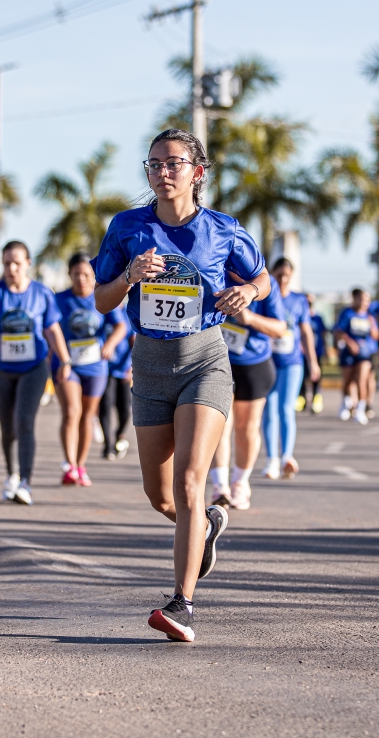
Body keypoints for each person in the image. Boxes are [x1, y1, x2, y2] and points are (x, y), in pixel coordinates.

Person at [92, 128, 269, 643]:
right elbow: (101, 300)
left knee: (191, 481)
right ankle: (207, 526)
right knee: (161, 496)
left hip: (204, 362)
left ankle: (182, 604)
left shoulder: (223, 229)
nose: (162, 172)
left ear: (197, 172)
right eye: (154, 164)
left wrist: (248, 294)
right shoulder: (127, 227)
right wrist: (129, 276)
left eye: (173, 163)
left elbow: (262, 278)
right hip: (149, 367)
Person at [0, 240, 71, 506]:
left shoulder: (41, 293)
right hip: (1, 369)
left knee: (24, 421)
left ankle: (26, 481)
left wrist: (65, 359)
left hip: (34, 368)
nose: (11, 268)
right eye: (6, 263)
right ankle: (11, 474)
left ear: (28, 263)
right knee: (7, 427)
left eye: (16, 263)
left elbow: (51, 329)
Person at [54, 252, 126, 486]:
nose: (81, 279)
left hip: (95, 366)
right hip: (66, 365)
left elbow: (121, 326)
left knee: (87, 416)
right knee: (71, 411)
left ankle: (80, 465)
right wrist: (58, 357)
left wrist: (110, 344)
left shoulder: (101, 297)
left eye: (86, 274)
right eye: (76, 274)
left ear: (93, 275)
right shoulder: (59, 300)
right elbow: (49, 329)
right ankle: (69, 466)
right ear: (69, 274)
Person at [214, 270, 286, 493]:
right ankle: (220, 487)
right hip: (217, 362)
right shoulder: (214, 271)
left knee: (246, 428)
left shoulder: (265, 282)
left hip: (254, 364)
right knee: (219, 426)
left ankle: (240, 483)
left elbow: (280, 329)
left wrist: (249, 319)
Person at [262, 259, 322, 480]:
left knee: (286, 409)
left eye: (287, 275)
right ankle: (271, 460)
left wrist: (313, 361)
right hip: (268, 362)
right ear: (272, 274)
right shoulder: (265, 295)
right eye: (279, 275)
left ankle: (287, 456)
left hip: (292, 362)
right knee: (269, 410)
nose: (283, 279)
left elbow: (306, 332)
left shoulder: (299, 300)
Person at [333, 289, 379, 425]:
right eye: (363, 299)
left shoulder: (370, 315)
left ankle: (360, 409)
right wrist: (350, 343)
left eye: (367, 300)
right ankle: (345, 401)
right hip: (348, 352)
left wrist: (372, 325)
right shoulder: (347, 313)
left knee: (361, 380)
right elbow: (339, 332)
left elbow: (376, 336)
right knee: (348, 380)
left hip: (365, 354)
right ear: (355, 299)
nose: (365, 303)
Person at [99, 303, 134, 461]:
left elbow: (134, 342)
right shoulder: (102, 309)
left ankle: (120, 433)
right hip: (105, 369)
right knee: (105, 406)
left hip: (123, 370)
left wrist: (132, 367)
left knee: (125, 409)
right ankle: (108, 446)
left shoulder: (129, 311)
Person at [301, 293, 327, 414]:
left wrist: (326, 349)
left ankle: (316, 398)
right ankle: (302, 398)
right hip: (302, 352)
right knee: (303, 376)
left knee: (316, 376)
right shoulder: (300, 315)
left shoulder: (318, 318)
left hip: (317, 351)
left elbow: (323, 334)